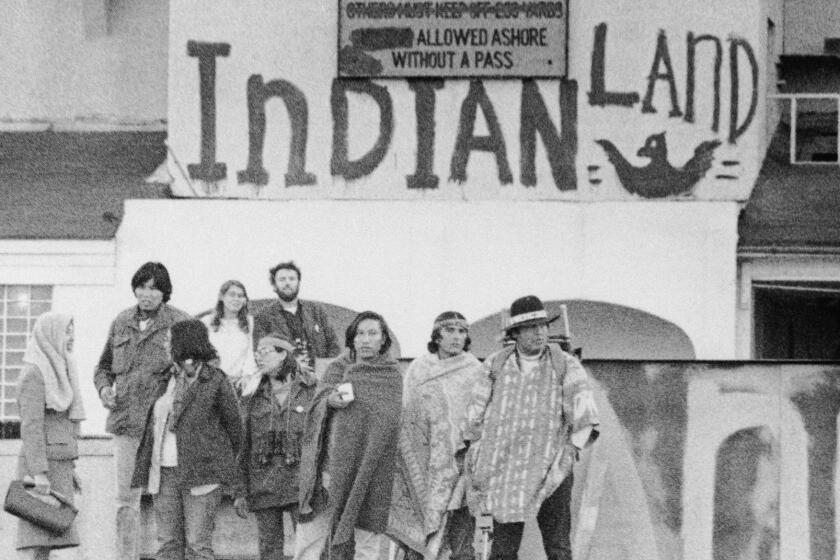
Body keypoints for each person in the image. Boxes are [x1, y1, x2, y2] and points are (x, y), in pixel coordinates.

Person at [463, 295, 600, 560]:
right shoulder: (496, 363)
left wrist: (571, 451)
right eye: (530, 327)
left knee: (558, 546)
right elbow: (474, 413)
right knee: (501, 551)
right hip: (503, 473)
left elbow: (585, 413)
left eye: (543, 325)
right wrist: (477, 454)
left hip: (552, 468)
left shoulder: (564, 363)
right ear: (515, 333)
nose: (539, 332)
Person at [92, 261, 190, 560]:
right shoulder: (121, 320)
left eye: (154, 288)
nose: (146, 294)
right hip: (125, 423)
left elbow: (192, 373)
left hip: (163, 428)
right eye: (142, 287)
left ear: (164, 292)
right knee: (126, 500)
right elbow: (103, 368)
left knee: (169, 497)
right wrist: (104, 389)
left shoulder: (180, 322)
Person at [131, 319, 243, 560]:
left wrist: (220, 465)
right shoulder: (165, 379)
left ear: (184, 343)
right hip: (164, 471)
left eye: (170, 339)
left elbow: (235, 430)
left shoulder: (215, 380)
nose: (165, 344)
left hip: (202, 473)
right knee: (167, 545)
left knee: (197, 546)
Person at [296, 311, 402, 560]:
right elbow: (316, 406)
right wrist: (329, 401)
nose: (365, 339)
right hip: (331, 469)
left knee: (368, 540)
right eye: (360, 334)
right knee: (309, 537)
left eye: (372, 333)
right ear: (352, 339)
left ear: (384, 339)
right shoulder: (338, 368)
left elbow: (390, 424)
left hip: (371, 470)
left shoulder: (391, 375)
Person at [388, 311, 483, 560]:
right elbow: (407, 416)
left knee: (461, 544)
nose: (456, 337)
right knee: (417, 542)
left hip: (460, 468)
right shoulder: (419, 368)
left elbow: (481, 417)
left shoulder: (475, 370)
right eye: (450, 330)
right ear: (436, 335)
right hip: (422, 467)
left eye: (462, 331)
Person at [234, 334, 318, 560]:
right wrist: (240, 490)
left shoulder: (311, 389)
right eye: (257, 353)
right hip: (263, 483)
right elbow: (243, 445)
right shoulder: (250, 394)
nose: (259, 357)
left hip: (300, 485)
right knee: (269, 549)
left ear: (283, 354)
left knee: (308, 547)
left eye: (265, 352)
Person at [16, 312, 86, 559]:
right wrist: (39, 474)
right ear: (49, 335)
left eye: (72, 330)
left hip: (58, 466)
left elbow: (62, 425)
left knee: (49, 541)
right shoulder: (34, 373)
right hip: (42, 471)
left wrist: (71, 466)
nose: (71, 337)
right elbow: (31, 427)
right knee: (36, 541)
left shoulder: (61, 371)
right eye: (66, 330)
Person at [252, 261, 340, 372]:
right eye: (282, 279)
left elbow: (333, 345)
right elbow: (261, 352)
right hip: (286, 378)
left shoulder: (316, 311)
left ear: (298, 282)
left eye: (292, 279)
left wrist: (325, 370)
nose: (287, 283)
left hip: (319, 376)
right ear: (274, 285)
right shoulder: (263, 317)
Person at [201, 280, 257, 391]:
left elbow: (252, 352)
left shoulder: (251, 323)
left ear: (245, 300)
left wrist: (247, 375)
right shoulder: (206, 322)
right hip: (211, 382)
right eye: (232, 295)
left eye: (240, 296)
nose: (236, 299)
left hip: (240, 383)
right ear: (222, 297)